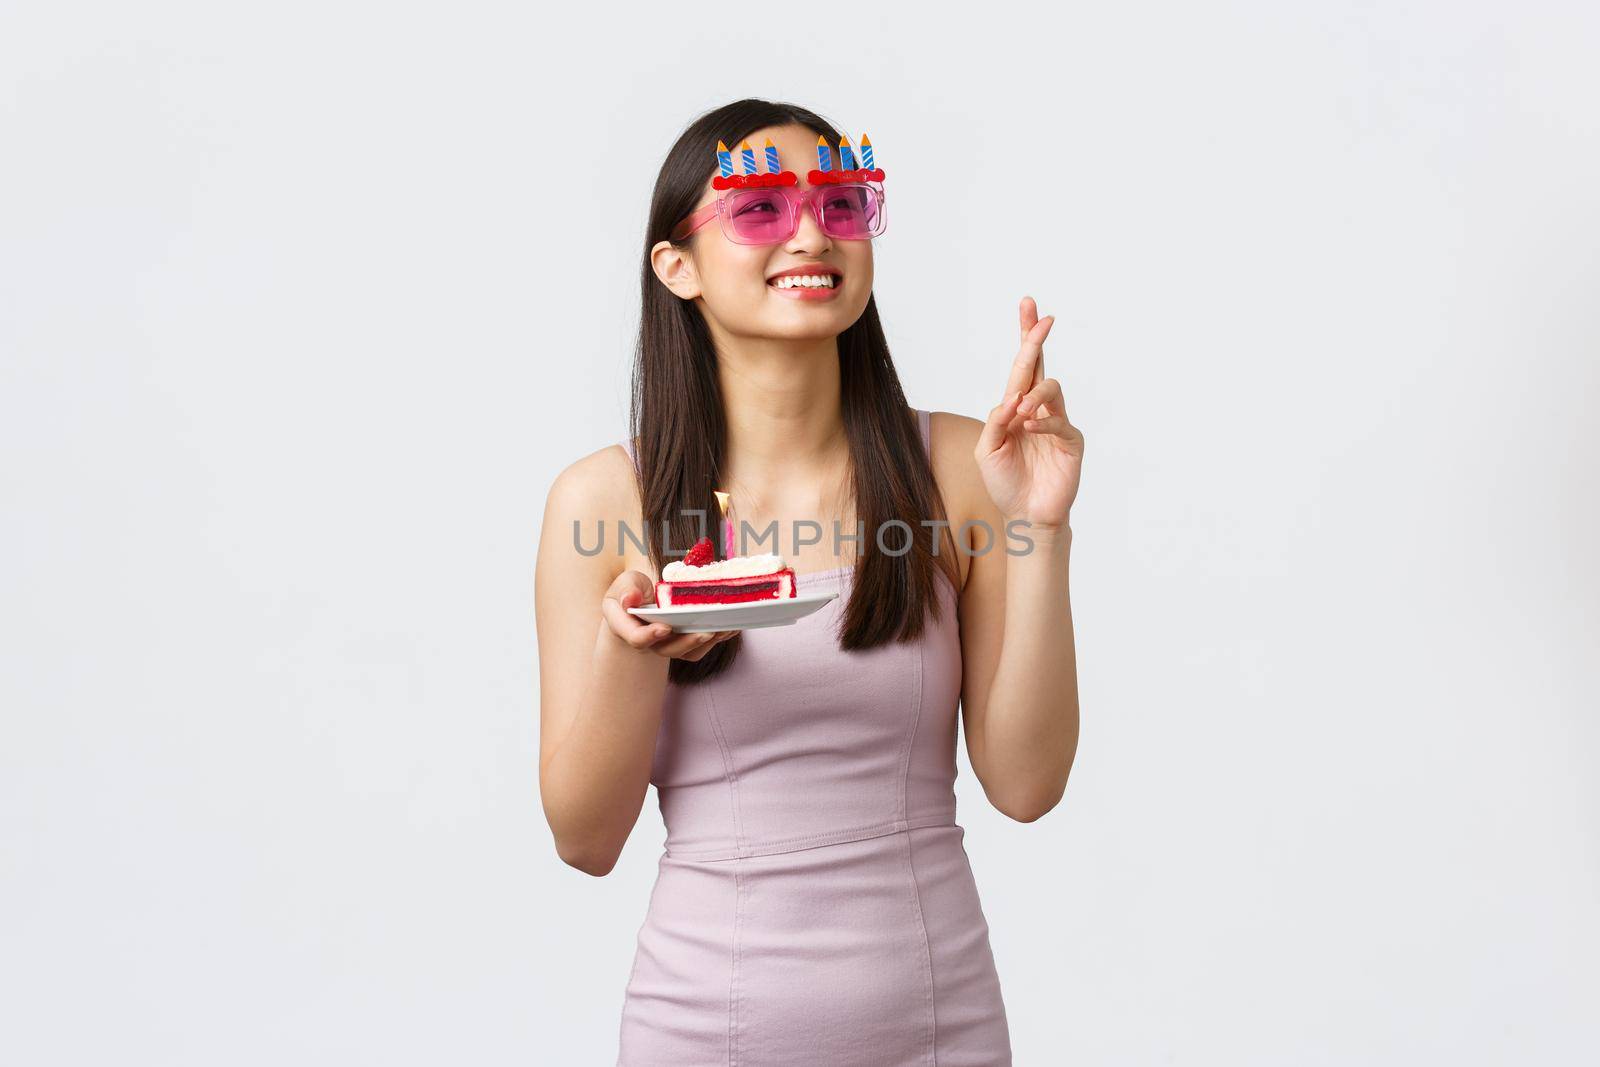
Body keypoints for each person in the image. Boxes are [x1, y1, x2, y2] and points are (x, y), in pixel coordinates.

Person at [536, 98, 1084, 1066]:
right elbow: (585, 837)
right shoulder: (604, 497)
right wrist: (630, 653)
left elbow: (1027, 783)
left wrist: (1040, 527)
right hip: (705, 1030)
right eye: (756, 210)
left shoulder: (959, 466)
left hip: (940, 1023)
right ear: (677, 267)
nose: (808, 234)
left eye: (838, 204)